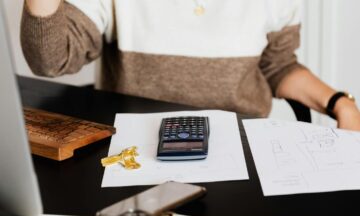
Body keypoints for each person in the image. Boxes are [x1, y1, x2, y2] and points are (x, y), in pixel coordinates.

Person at [21, 0, 360, 130]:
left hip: (243, 143)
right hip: (133, 147)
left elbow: (277, 65)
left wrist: (340, 104)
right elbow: (52, 60)